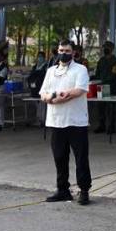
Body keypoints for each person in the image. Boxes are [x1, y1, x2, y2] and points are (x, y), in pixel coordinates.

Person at [40, 39, 92, 205]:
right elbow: (43, 94)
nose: (64, 53)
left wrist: (57, 97)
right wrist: (51, 97)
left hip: (76, 121)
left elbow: (79, 90)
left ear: (73, 52)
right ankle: (62, 190)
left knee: (81, 158)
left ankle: (84, 190)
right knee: (59, 157)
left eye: (67, 51)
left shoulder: (80, 69)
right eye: (61, 50)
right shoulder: (51, 71)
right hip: (56, 121)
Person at [94, 41, 116, 133]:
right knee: (101, 107)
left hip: (111, 86)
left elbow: (114, 74)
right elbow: (97, 73)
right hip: (101, 86)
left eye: (107, 47)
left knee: (111, 107)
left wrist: (104, 80)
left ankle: (111, 126)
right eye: (104, 47)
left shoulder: (115, 61)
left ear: (112, 49)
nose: (105, 49)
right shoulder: (101, 60)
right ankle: (102, 125)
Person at [27, 52, 49, 125]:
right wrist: (31, 83)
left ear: (43, 58)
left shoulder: (46, 66)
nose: (39, 58)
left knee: (42, 104)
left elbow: (45, 77)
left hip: (42, 88)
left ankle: (43, 120)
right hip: (34, 88)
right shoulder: (35, 66)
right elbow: (30, 76)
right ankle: (38, 119)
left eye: (41, 56)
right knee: (37, 104)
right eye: (38, 56)